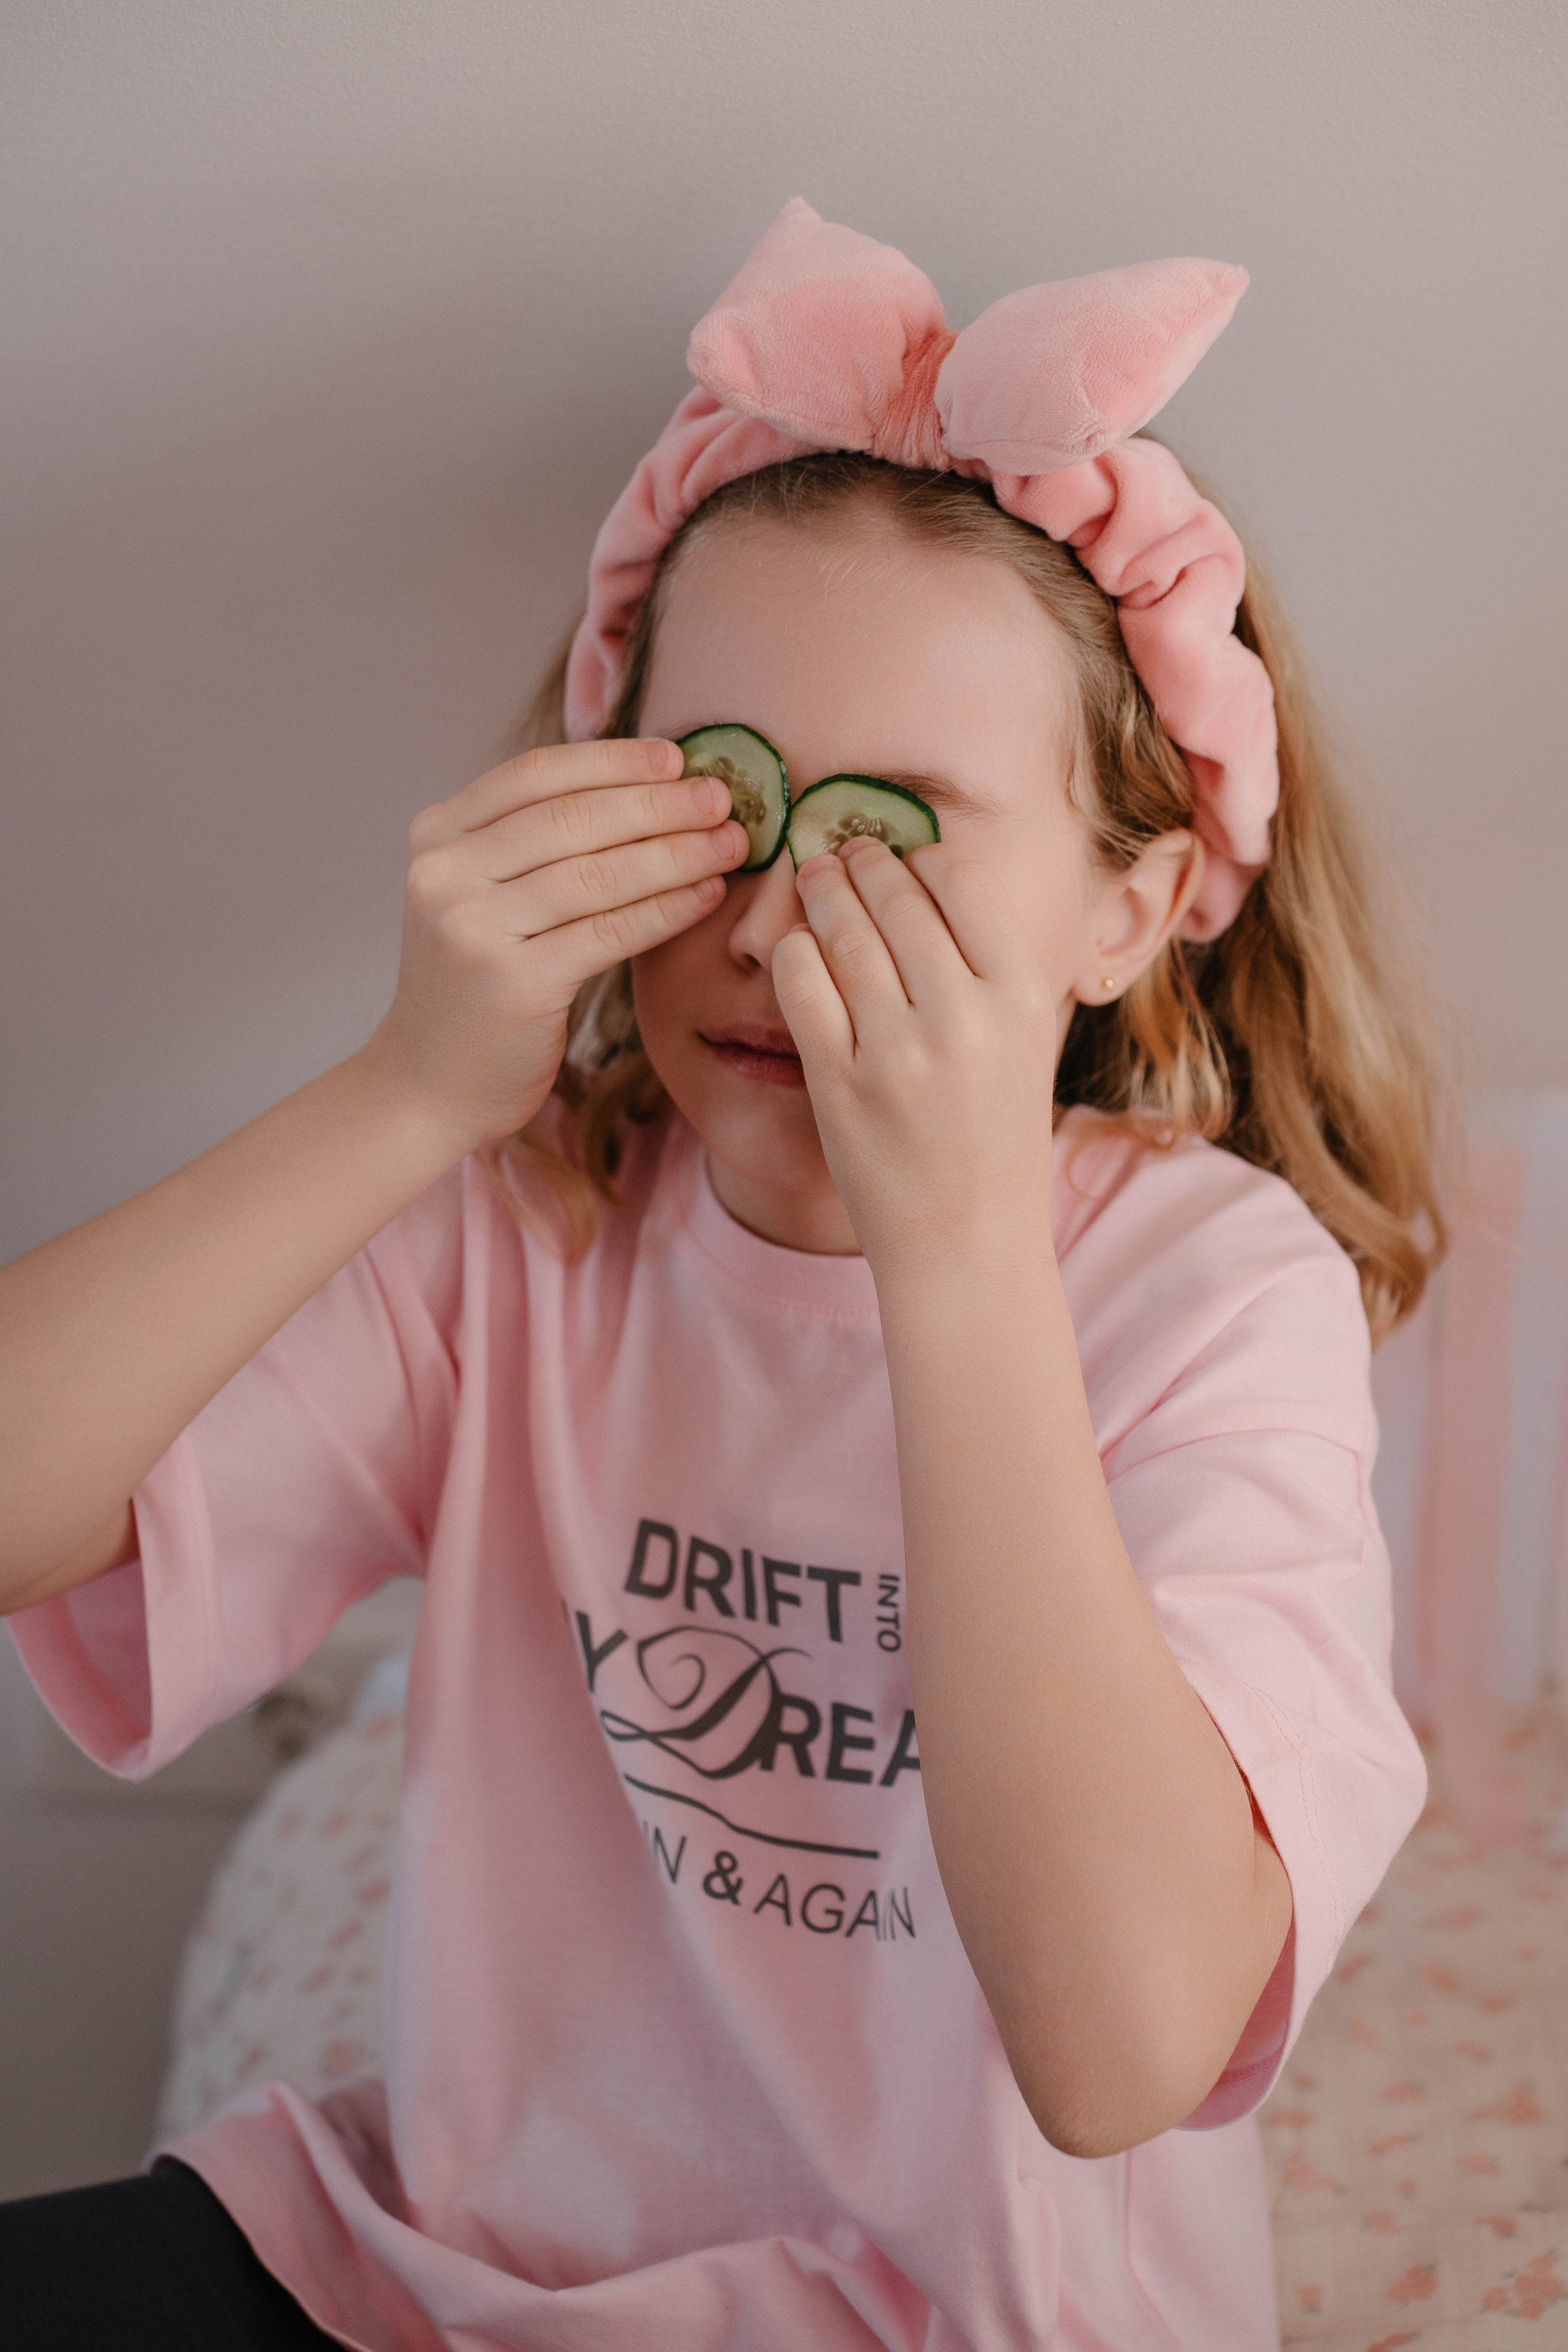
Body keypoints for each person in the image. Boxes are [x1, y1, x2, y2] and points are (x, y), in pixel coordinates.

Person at [0, 199, 1442, 2350]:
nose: (778, 933)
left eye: (900, 840)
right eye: (718, 809)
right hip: (436, 2280)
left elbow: (1120, 2041)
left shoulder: (1214, 1286)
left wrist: (950, 1238)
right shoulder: (535, 1226)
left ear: (1129, 912)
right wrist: (406, 1089)